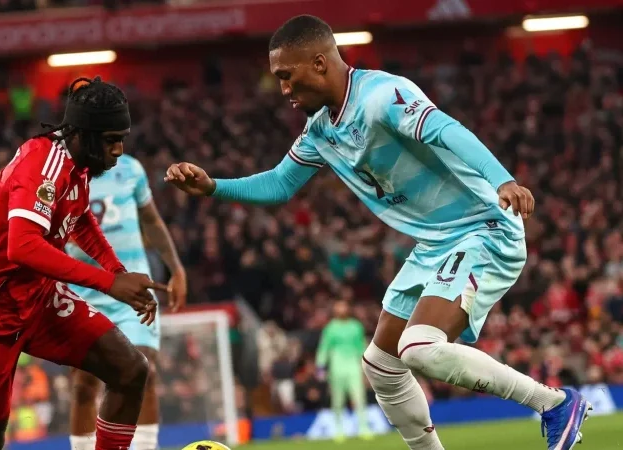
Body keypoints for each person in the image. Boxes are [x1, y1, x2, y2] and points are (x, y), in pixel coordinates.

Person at [164, 15, 591, 450]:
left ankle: (554, 403)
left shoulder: (382, 95)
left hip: (483, 228)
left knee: (419, 347)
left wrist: (503, 180)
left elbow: (446, 129)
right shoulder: (320, 129)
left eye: (286, 76)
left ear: (319, 63)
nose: (284, 90)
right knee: (382, 365)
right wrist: (213, 187)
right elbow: (279, 184)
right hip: (437, 244)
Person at [0, 76, 167, 450]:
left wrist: (117, 272)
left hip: (38, 298)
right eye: (111, 140)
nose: (119, 150)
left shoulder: (78, 165)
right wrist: (109, 284)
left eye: (122, 138)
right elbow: (23, 246)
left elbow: (81, 220)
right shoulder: (41, 164)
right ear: (83, 134)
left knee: (130, 370)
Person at [66, 152, 187, 450]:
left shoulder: (131, 169)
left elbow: (151, 220)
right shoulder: (61, 174)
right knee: (84, 384)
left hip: (133, 293)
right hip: (83, 294)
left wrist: (176, 268)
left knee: (143, 371)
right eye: (111, 138)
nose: (117, 147)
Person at [315, 299, 372, 442]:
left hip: (353, 366)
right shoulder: (330, 328)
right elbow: (324, 347)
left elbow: (361, 346)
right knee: (337, 400)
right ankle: (338, 430)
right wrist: (320, 366)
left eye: (343, 307)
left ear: (348, 309)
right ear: (335, 311)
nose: (341, 310)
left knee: (359, 398)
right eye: (338, 308)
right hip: (336, 366)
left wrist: (366, 365)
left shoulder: (356, 326)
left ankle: (363, 428)